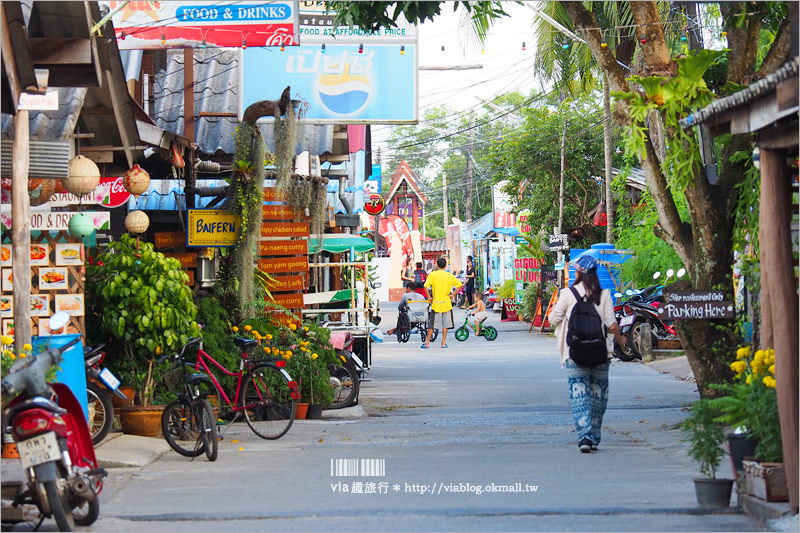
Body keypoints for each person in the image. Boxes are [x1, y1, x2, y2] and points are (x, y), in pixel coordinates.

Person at [548, 255, 627, 454]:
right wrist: (620, 340)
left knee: (579, 394)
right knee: (598, 396)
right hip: (601, 353)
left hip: (575, 352)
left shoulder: (567, 294)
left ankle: (584, 435)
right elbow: (612, 324)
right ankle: (595, 436)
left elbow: (552, 319)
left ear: (579, 272)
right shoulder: (605, 294)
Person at [422, 256, 462, 349]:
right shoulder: (449, 275)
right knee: (446, 324)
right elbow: (459, 285)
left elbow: (425, 286)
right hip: (447, 303)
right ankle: (443, 342)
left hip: (436, 303)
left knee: (432, 324)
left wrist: (429, 297)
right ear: (445, 266)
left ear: (436, 265)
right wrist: (452, 295)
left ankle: (427, 342)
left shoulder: (433, 275)